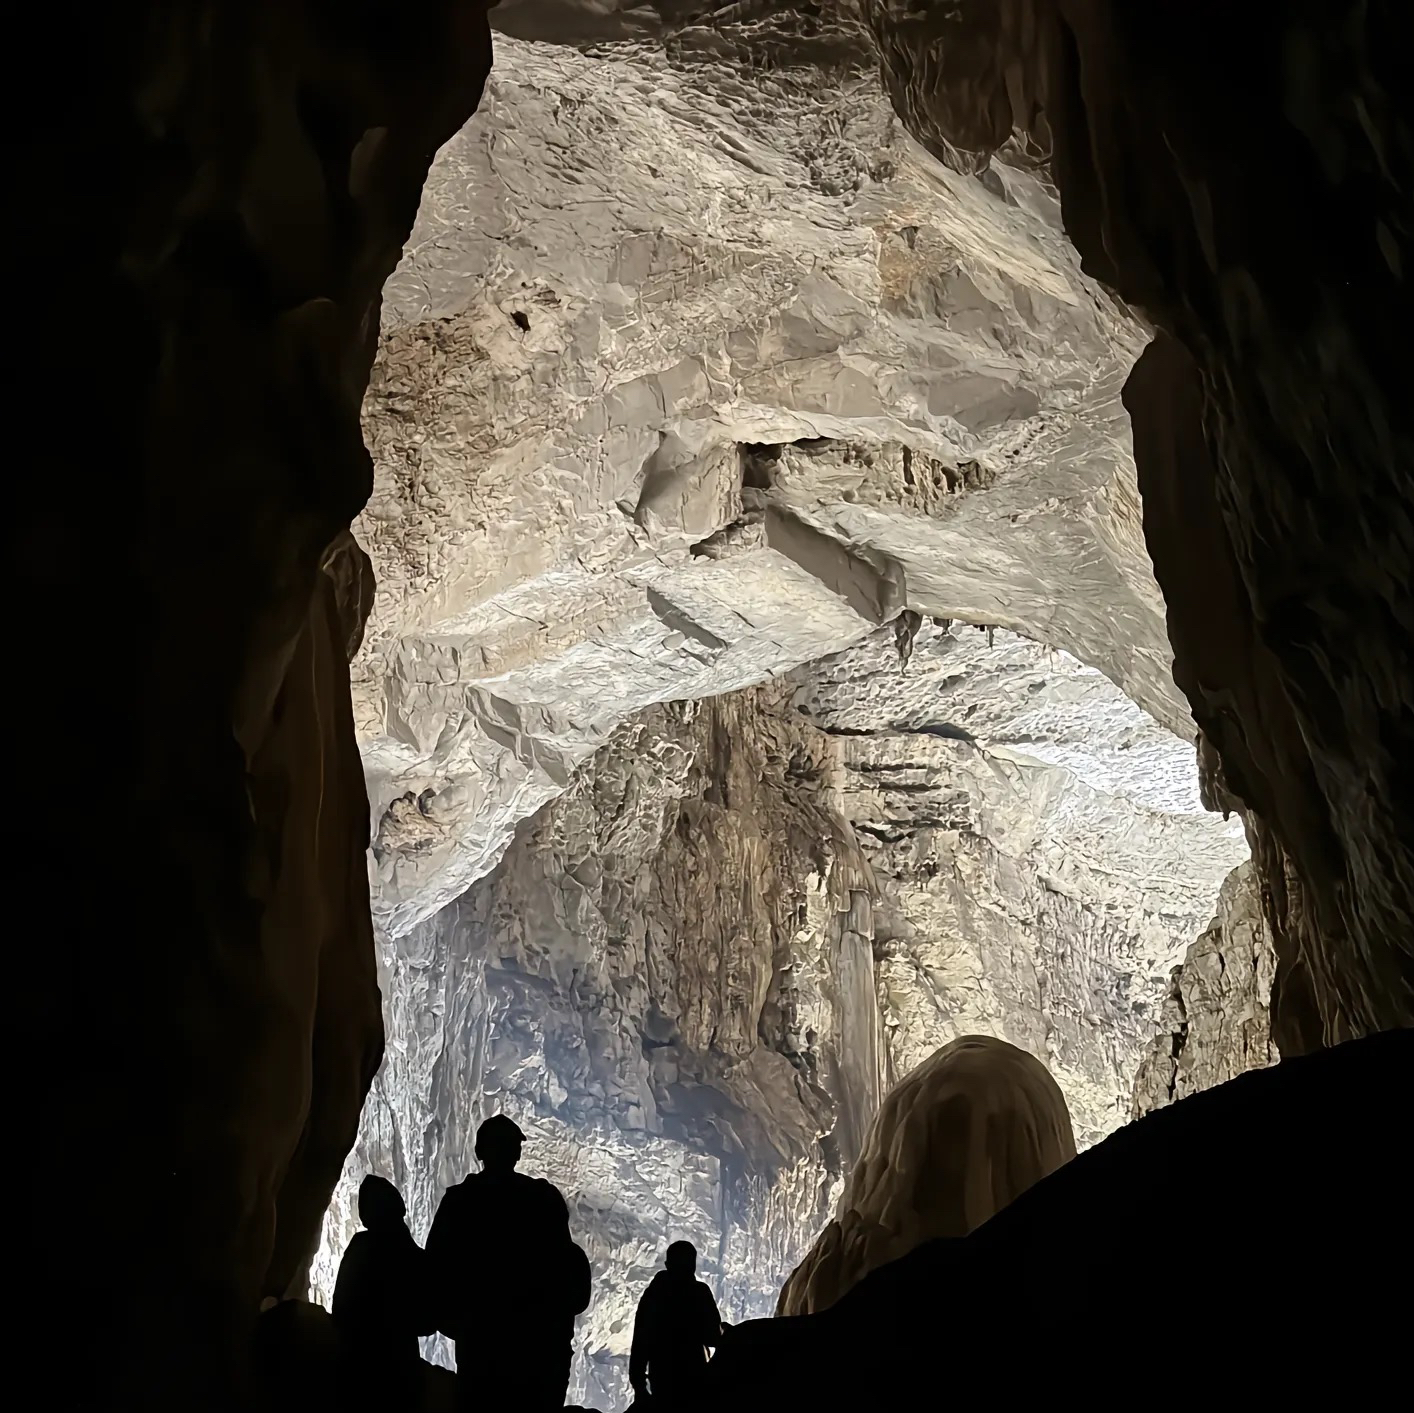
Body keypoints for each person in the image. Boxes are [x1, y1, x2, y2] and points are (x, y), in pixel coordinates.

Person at [426, 1114, 591, 1410]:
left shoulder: (459, 1202)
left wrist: (456, 1323)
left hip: (479, 1338)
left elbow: (436, 1268)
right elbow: (566, 1268)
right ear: (517, 1152)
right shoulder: (542, 1199)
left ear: (480, 1152)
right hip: (536, 1345)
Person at [331, 1175, 434, 1404]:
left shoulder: (359, 1248)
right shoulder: (409, 1255)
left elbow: (340, 1312)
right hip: (399, 1374)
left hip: (356, 1372)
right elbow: (428, 1320)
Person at [629, 1241, 723, 1407]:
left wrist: (639, 1385)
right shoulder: (700, 1292)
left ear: (667, 1265)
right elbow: (712, 1338)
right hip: (694, 1376)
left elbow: (641, 1340)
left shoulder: (654, 1294)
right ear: (693, 1265)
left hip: (661, 1377)